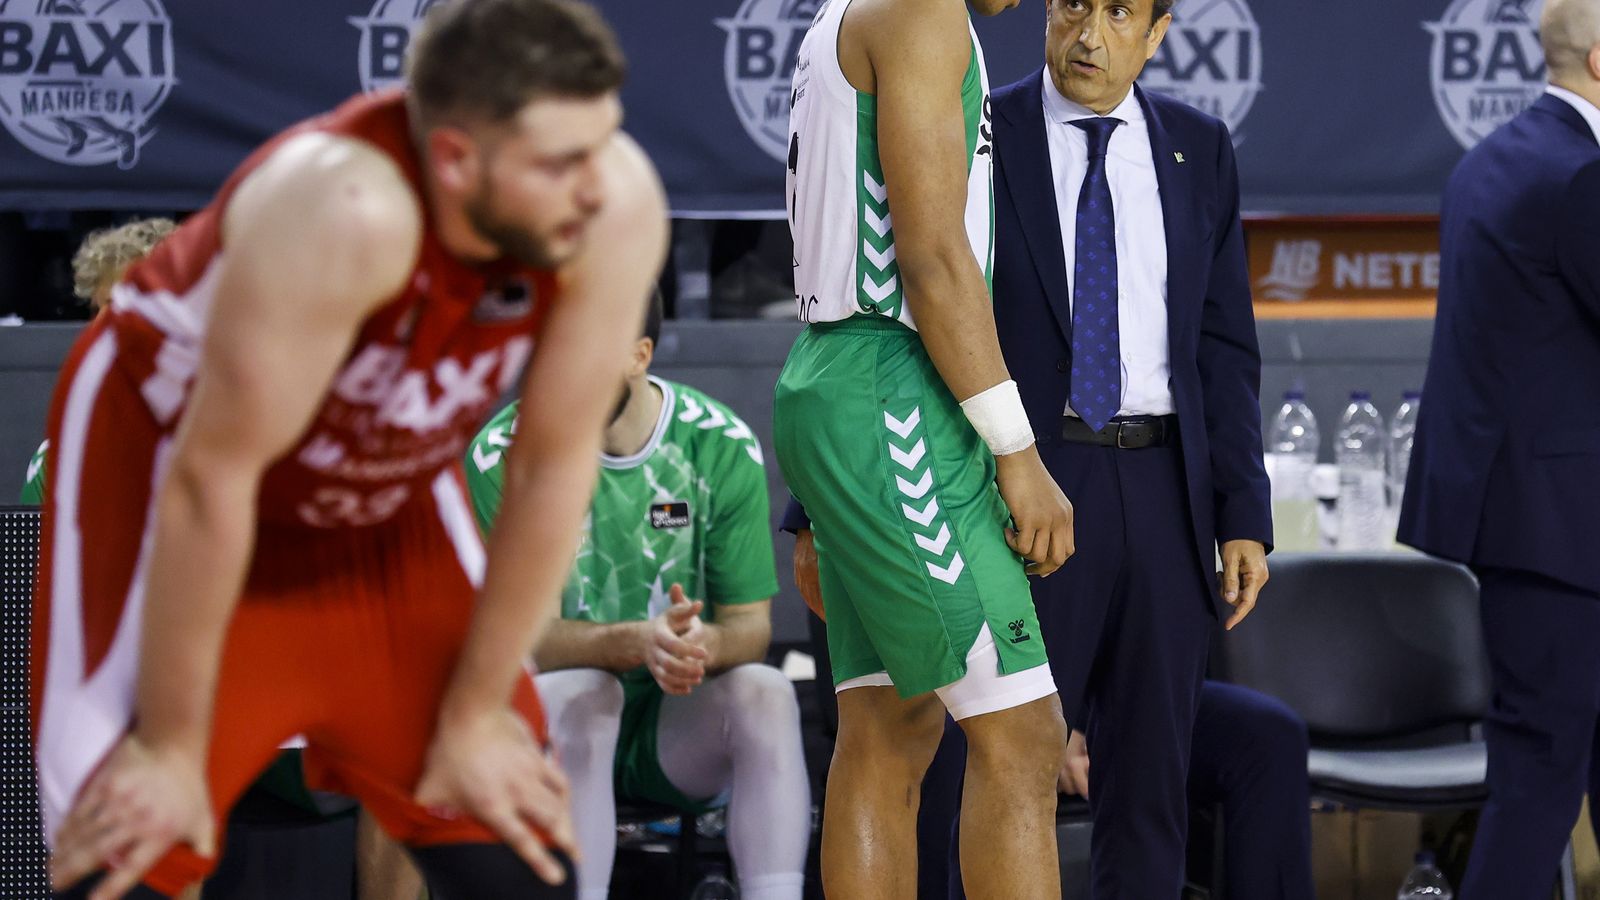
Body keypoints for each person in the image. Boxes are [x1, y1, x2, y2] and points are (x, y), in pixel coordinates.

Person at [33, 1, 668, 897]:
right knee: (125, 841)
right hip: (169, 456)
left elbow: (549, 465)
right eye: (560, 162)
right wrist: (171, 746)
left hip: (371, 467)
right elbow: (209, 482)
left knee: (515, 837)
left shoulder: (613, 204)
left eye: (600, 143)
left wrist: (477, 710)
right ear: (455, 160)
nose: (593, 187)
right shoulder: (338, 208)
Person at [775, 0, 1076, 896]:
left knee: (891, 724)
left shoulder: (853, 9)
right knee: (1023, 733)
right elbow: (933, 258)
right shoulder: (916, 12)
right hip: (890, 385)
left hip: (845, 379)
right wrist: (1017, 453)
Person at [987, 0, 1271, 894]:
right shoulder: (982, 129)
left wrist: (1245, 515)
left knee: (1150, 788)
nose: (1088, 34)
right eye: (1072, 4)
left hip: (1165, 488)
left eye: (1118, 13)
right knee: (1001, 772)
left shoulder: (1200, 146)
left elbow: (1225, 347)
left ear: (1158, 32)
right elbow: (905, 302)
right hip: (1026, 484)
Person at [464, 289, 811, 900]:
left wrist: (700, 644)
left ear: (638, 354)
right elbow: (518, 642)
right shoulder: (505, 455)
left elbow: (751, 627)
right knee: (585, 690)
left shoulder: (717, 443)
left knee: (766, 691)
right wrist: (632, 642)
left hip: (671, 731)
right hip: (542, 728)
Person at [1398, 1, 1600, 895]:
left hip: (1526, 525)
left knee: (1539, 774)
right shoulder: (1580, 176)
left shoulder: (1492, 159)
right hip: (1570, 538)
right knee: (1540, 786)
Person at [20, 218, 176, 506]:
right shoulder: (60, 456)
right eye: (96, 310)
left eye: (121, 306)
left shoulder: (248, 443)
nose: (100, 326)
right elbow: (37, 549)